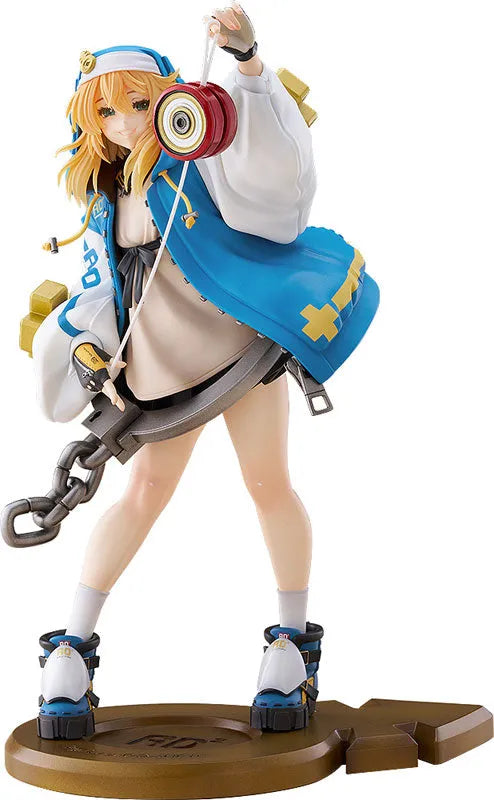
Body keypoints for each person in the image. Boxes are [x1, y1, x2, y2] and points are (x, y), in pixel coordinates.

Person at [34, 5, 379, 739]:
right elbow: (99, 287)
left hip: (236, 344)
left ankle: (293, 643)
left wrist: (248, 65)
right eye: (109, 111)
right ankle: (71, 647)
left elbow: (269, 178)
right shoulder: (104, 199)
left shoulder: (199, 156)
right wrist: (91, 348)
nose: (126, 122)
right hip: (162, 367)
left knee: (268, 483)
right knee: (142, 494)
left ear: (166, 101)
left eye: (139, 104)